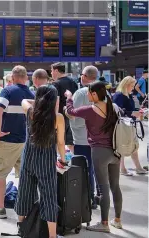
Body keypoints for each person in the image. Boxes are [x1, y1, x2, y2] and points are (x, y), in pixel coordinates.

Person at [65, 81, 122, 233]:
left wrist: (69, 97)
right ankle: (117, 220)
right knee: (115, 187)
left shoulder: (90, 110)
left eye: (89, 93)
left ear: (95, 94)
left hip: (99, 152)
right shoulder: (113, 107)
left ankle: (104, 223)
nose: (87, 95)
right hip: (116, 151)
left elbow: (71, 111)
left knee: (103, 189)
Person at [15, 85, 65, 238]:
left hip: (29, 159)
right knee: (49, 197)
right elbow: (61, 142)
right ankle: (52, 235)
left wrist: (38, 100)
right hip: (46, 161)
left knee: (24, 193)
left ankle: (23, 230)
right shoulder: (58, 118)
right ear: (53, 100)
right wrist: (63, 159)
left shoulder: (30, 112)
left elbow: (24, 100)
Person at [0, 65, 34, 219]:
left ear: (13, 78)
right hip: (26, 141)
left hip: (8, 140)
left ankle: (0, 209)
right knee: (25, 176)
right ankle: (25, 209)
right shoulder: (31, 94)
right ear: (26, 78)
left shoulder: (7, 91)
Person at [65, 65, 100, 209]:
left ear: (84, 76)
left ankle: (88, 198)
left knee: (85, 169)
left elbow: (72, 114)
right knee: (98, 170)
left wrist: (68, 99)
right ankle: (100, 197)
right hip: (100, 139)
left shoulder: (80, 93)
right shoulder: (104, 92)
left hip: (82, 138)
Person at [113, 76, 147, 176]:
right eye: (132, 86)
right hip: (122, 125)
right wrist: (132, 113)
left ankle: (138, 168)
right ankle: (123, 169)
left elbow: (129, 109)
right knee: (123, 146)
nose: (133, 88)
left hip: (130, 123)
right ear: (126, 85)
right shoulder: (119, 95)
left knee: (134, 145)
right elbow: (116, 110)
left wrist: (138, 111)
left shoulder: (128, 94)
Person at [51, 62, 79, 153]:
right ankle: (77, 161)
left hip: (60, 117)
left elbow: (56, 102)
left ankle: (60, 161)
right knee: (71, 142)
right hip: (72, 115)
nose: (51, 73)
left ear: (56, 70)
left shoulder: (56, 84)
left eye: (51, 71)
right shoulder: (73, 82)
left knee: (59, 141)